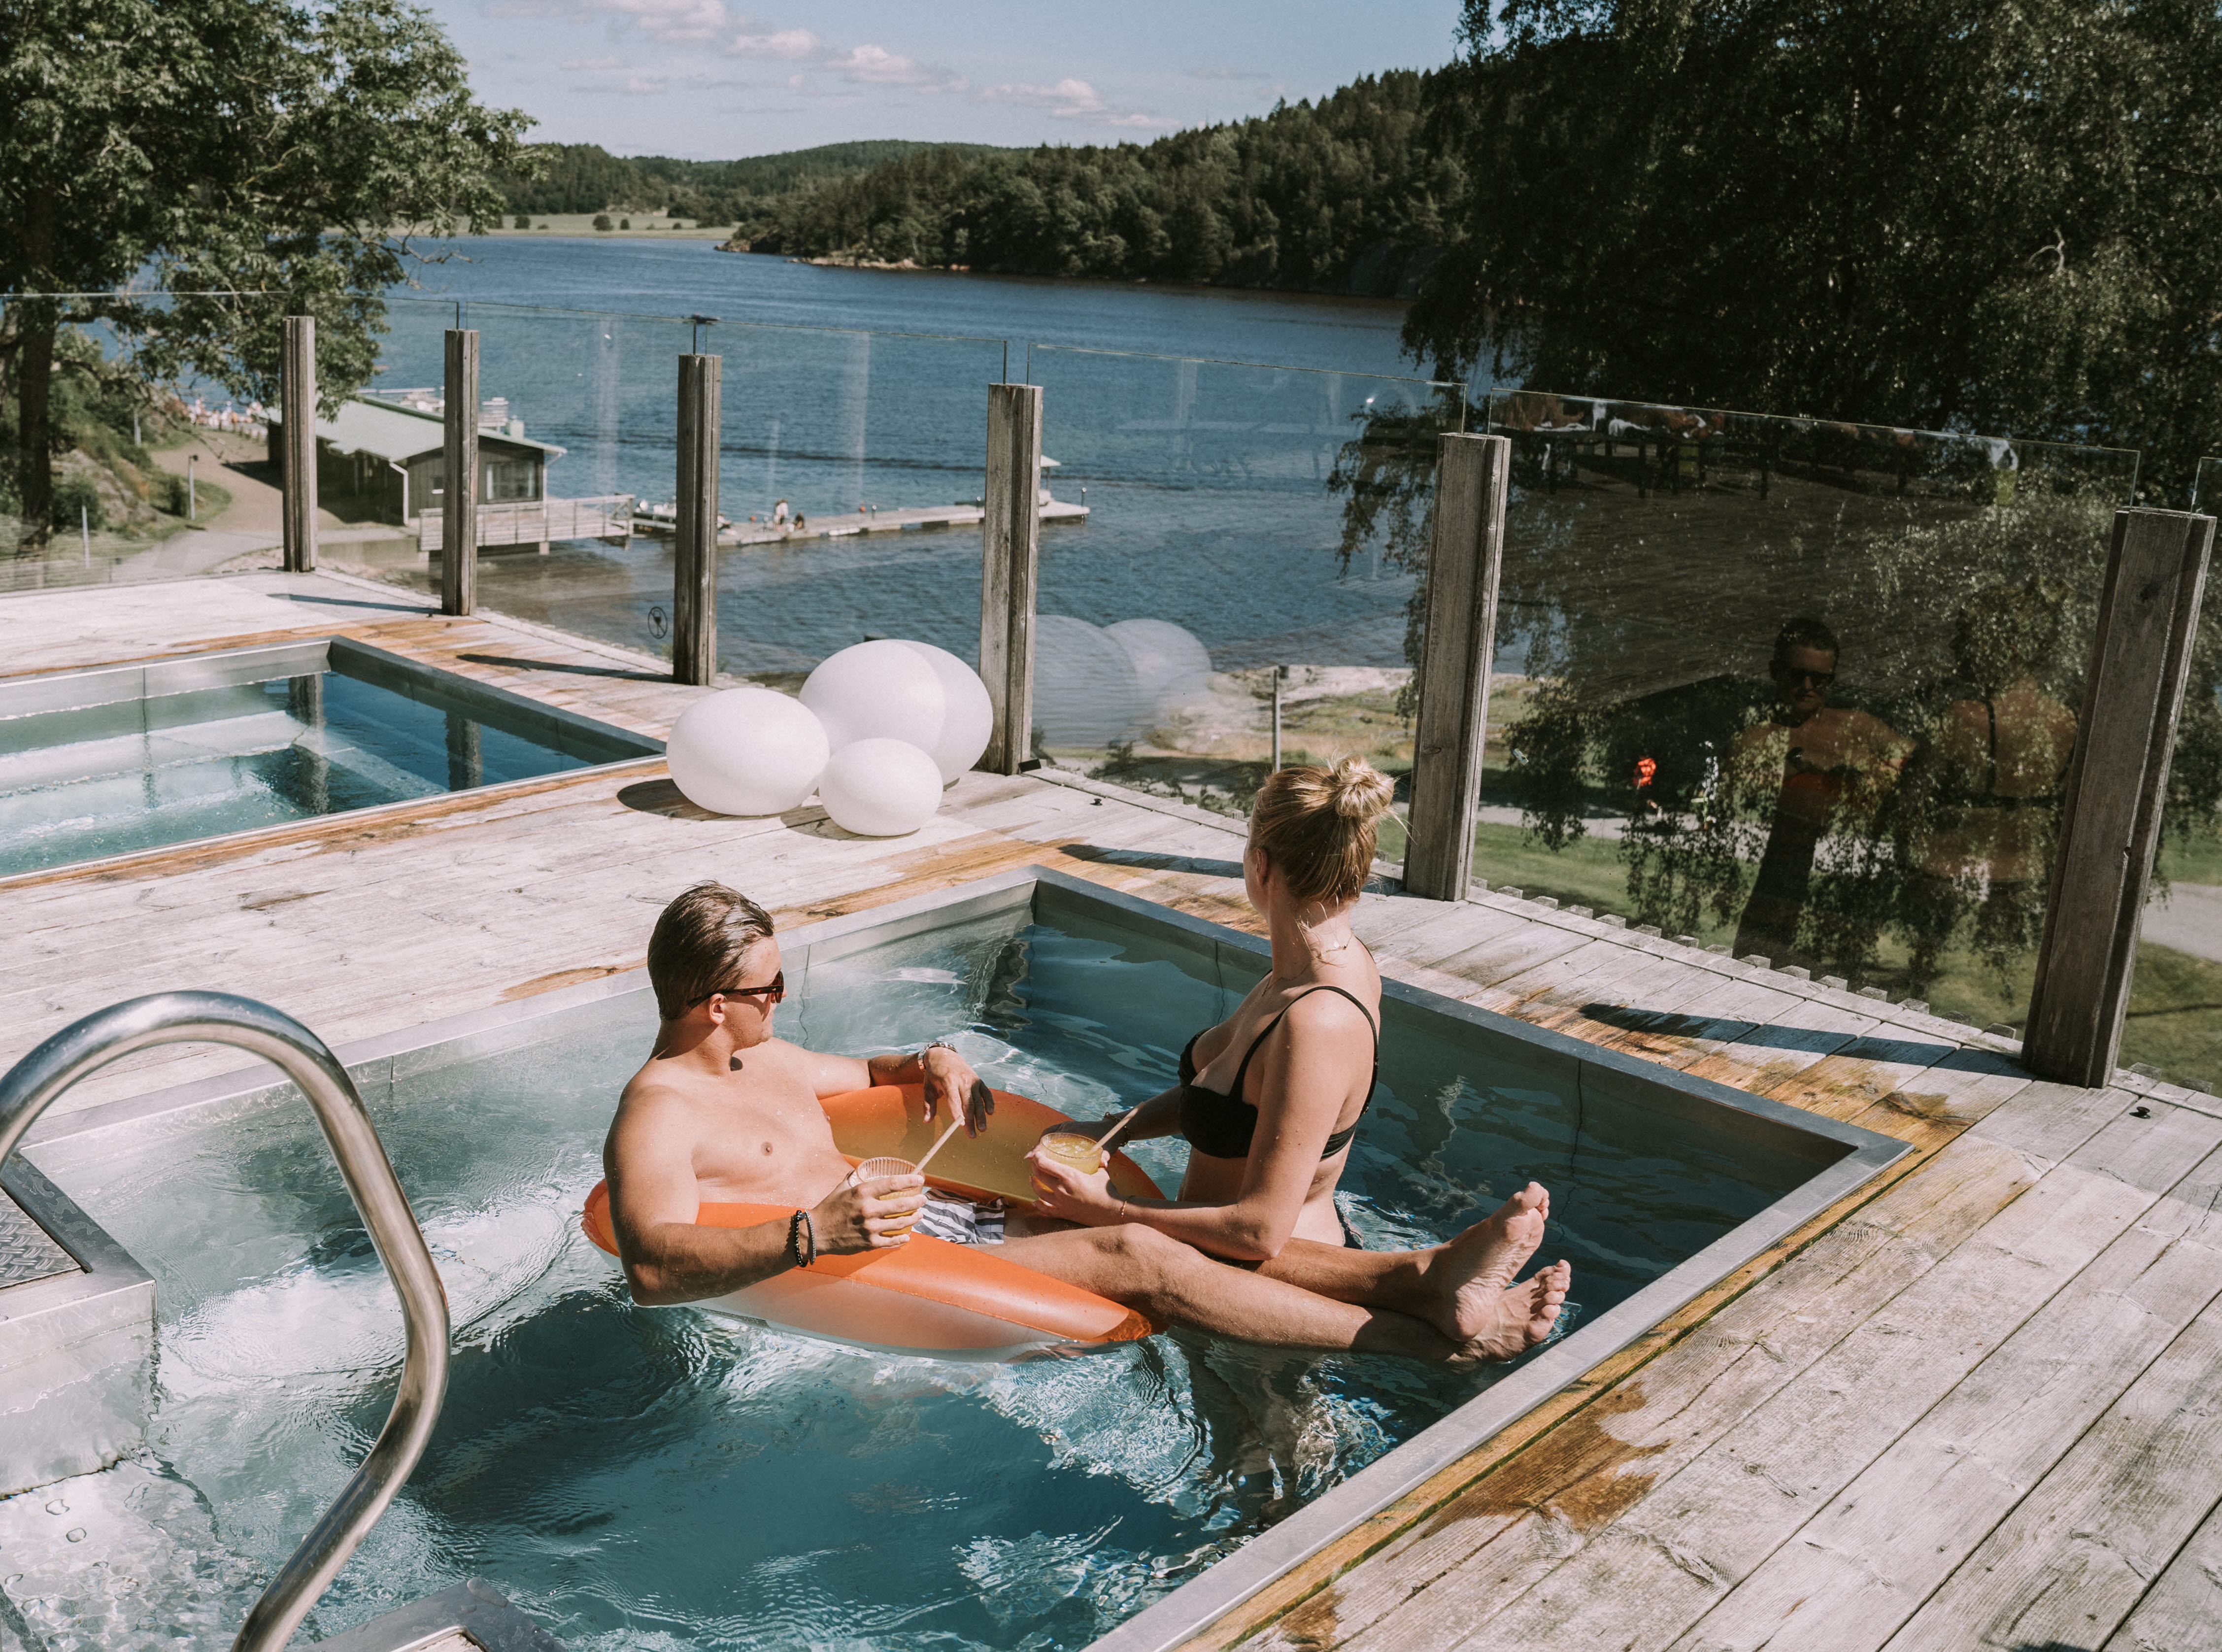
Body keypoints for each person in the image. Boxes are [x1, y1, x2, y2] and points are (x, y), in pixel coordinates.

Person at [603, 880, 1570, 1365]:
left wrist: (928, 1056)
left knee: (1116, 1221)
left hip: (932, 1222)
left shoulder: (759, 1053)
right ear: (705, 1001)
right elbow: (650, 1268)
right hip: (861, 1258)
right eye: (765, 984)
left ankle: (1417, 1275)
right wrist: (817, 1230)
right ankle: (1436, 1344)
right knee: (1143, 1260)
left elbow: (867, 1069)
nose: (782, 994)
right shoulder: (658, 1112)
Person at [1727, 618, 1911, 967]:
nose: (1808, 687)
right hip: (1776, 886)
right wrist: (1802, 762)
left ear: (1832, 680)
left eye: (1821, 679)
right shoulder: (1757, 737)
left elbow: (1915, 765)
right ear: (1776, 672)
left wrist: (1866, 769)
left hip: (1841, 894)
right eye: (1798, 676)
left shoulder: (1857, 727)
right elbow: (1737, 788)